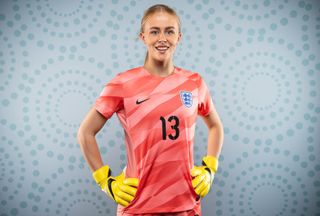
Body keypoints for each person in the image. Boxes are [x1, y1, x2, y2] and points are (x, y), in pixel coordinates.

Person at [77, 4, 224, 216]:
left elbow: (215, 126)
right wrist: (105, 181)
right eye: (154, 31)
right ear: (143, 37)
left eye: (169, 31)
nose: (162, 38)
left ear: (179, 37)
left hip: (187, 206)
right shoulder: (123, 83)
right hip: (137, 207)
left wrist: (210, 167)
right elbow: (85, 133)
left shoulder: (194, 82)